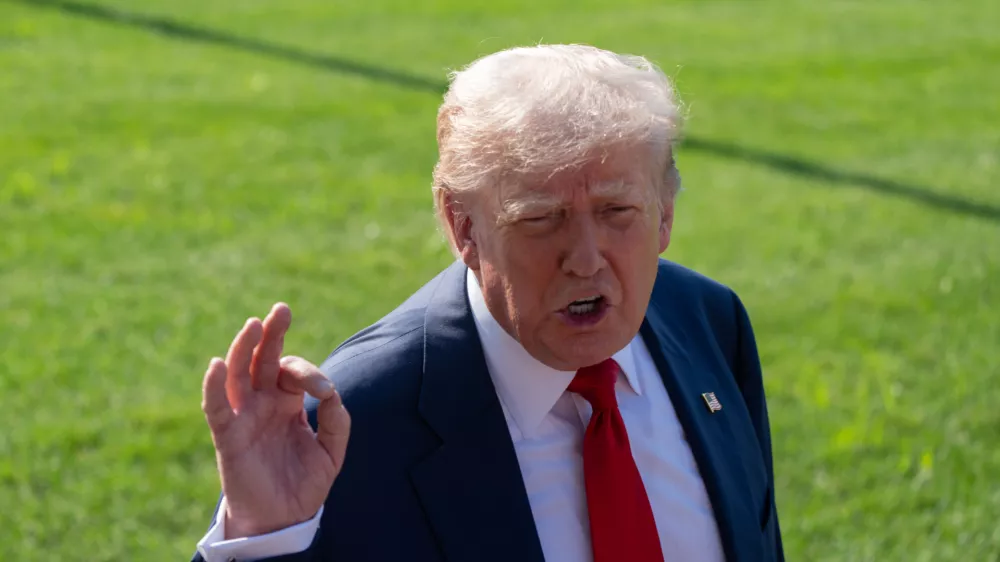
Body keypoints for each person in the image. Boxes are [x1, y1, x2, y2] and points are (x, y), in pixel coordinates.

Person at [192, 44, 783, 562]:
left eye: (616, 212)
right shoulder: (358, 421)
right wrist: (264, 537)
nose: (585, 257)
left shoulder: (708, 322)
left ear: (666, 213)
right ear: (464, 227)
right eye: (541, 219)